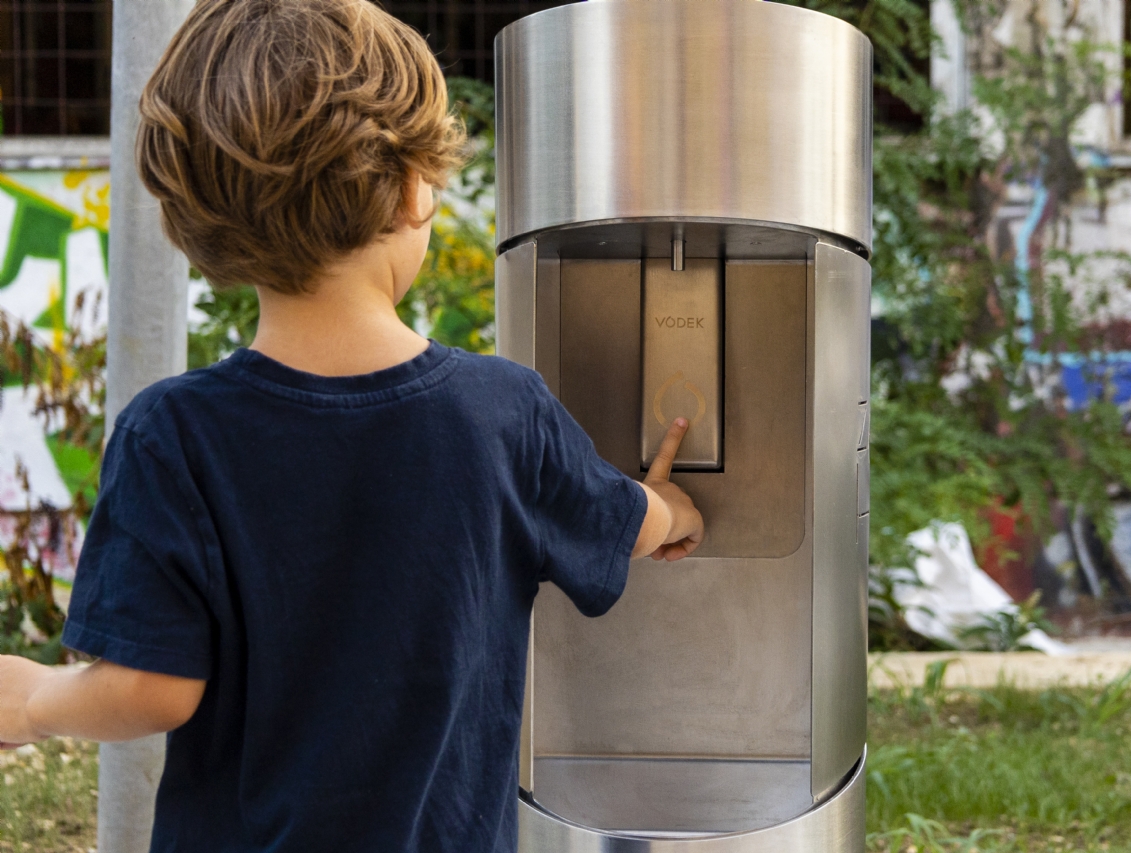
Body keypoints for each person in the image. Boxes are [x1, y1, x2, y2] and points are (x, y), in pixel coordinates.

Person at [0, 1, 703, 850]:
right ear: (413, 188)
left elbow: (155, 687)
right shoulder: (503, 412)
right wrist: (675, 507)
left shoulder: (172, 434)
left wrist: (37, 700)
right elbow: (628, 522)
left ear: (203, 219)